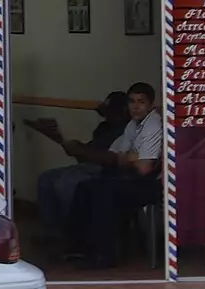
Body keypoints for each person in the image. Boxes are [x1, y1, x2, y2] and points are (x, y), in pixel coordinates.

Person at [66, 82, 163, 269]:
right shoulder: (133, 125)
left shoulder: (153, 125)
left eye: (141, 102)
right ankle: (79, 248)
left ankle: (105, 254)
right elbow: (115, 156)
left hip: (151, 184)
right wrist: (131, 158)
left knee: (106, 193)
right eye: (132, 102)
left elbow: (144, 168)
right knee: (85, 187)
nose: (135, 106)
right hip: (130, 177)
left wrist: (128, 159)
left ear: (150, 105)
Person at [29, 91, 131, 250]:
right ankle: (52, 233)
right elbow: (86, 155)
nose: (108, 117)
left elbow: (112, 160)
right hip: (88, 167)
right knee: (46, 179)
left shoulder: (129, 130)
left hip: (108, 172)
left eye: (112, 112)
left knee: (66, 183)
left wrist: (79, 150)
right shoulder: (104, 128)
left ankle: (73, 236)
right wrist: (69, 145)